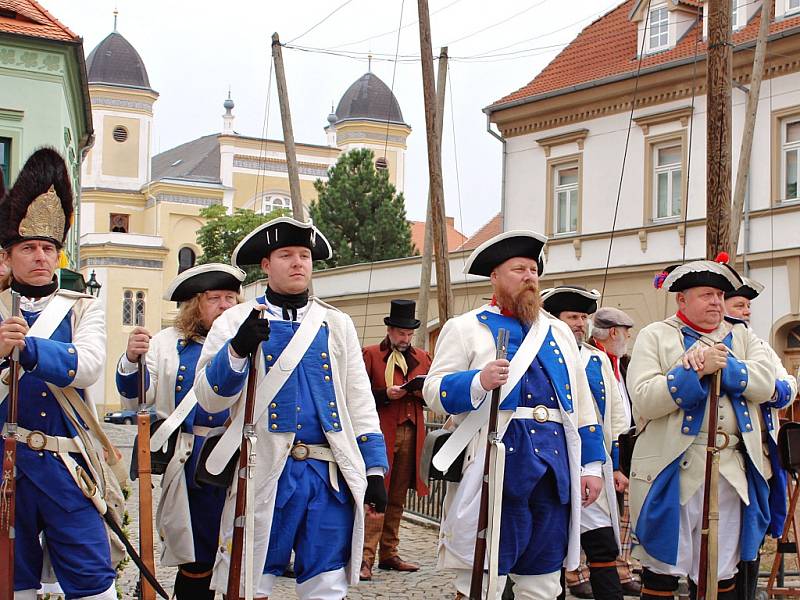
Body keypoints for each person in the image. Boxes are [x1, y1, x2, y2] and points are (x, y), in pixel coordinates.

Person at [192, 216, 389, 600]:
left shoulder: (337, 323)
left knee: (327, 584)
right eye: (286, 255)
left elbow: (358, 399)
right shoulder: (235, 320)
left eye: (304, 255)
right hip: (264, 469)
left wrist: (375, 468)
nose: (298, 262)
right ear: (266, 265)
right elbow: (209, 398)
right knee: (252, 579)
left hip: (327, 475)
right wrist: (236, 350)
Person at [422, 231, 607, 600]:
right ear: (495, 277)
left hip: (554, 471)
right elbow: (434, 391)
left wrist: (591, 467)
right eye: (518, 269)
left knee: (542, 581)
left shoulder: (556, 331)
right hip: (497, 467)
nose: (529, 277)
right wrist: (477, 381)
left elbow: (582, 406)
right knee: (484, 576)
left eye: (534, 269)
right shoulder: (466, 327)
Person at [0, 148, 116, 599]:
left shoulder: (83, 305)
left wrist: (27, 348)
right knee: (13, 584)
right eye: (28, 247)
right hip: (5, 468)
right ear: (8, 256)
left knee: (93, 583)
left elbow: (88, 365)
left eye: (48, 248)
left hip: (68, 467)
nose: (40, 257)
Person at [628, 257, 777, 600]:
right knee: (662, 568)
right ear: (682, 299)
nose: (716, 302)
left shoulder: (741, 335)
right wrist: (691, 372)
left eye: (720, 295)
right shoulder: (656, 336)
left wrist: (725, 364)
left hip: (732, 469)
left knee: (721, 570)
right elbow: (644, 399)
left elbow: (769, 383)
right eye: (706, 295)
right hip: (673, 468)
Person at [115, 262, 245, 598]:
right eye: (215, 298)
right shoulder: (166, 343)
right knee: (197, 552)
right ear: (193, 304)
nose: (226, 306)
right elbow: (139, 399)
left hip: (243, 456)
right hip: (194, 462)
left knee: (241, 549)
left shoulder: (250, 342)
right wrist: (132, 360)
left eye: (232, 297)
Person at [543, 287, 627, 600]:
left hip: (592, 466)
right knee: (548, 545)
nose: (581, 323)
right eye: (572, 317)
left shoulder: (596, 359)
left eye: (584, 317)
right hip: (552, 465)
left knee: (602, 543)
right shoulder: (539, 356)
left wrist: (616, 464)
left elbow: (616, 414)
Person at [723, 278, 798, 600]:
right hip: (729, 458)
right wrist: (763, 387)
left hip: (762, 455)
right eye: (739, 304)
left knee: (753, 532)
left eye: (748, 305)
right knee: (726, 539)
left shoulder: (758, 343)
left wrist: (770, 390)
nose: (747, 311)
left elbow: (787, 384)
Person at [360, 299, 432, 580]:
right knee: (376, 494)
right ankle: (365, 556)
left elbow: (432, 391)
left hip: (412, 431)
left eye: (408, 333)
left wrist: (416, 391)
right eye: (400, 332)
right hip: (380, 431)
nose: (405, 338)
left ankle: (389, 553)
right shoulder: (370, 355)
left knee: (398, 497)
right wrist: (384, 395)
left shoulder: (423, 357)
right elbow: (357, 394)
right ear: (390, 330)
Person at [591, 307, 640, 597]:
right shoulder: (593, 361)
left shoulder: (622, 363)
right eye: (626, 332)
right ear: (613, 332)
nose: (628, 337)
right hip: (602, 451)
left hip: (623, 448)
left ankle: (622, 569)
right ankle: (577, 573)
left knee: (620, 518)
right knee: (597, 522)